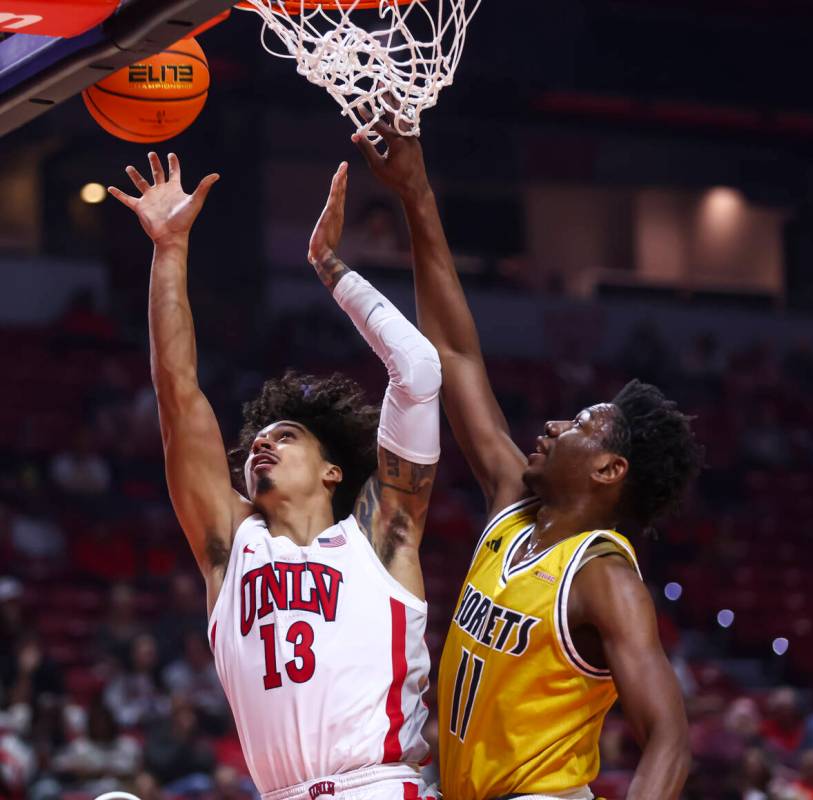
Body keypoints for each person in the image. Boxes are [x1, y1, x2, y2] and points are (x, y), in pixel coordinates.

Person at [352, 125, 704, 800]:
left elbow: (670, 738)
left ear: (609, 470)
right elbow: (453, 354)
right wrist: (416, 194)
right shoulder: (514, 502)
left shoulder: (603, 578)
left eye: (579, 424)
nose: (552, 425)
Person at [108, 153, 442, 799]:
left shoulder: (381, 539)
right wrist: (169, 250)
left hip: (377, 786)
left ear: (332, 470)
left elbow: (420, 372)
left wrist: (329, 266)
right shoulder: (231, 547)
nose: (262, 447)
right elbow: (178, 395)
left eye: (285, 437)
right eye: (257, 441)